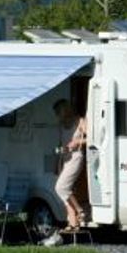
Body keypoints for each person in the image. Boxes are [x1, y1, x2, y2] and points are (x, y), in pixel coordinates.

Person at [53, 99, 88, 232]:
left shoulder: (80, 121)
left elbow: (93, 138)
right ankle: (73, 222)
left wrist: (78, 140)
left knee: (61, 187)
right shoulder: (61, 125)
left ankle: (80, 210)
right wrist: (57, 162)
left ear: (66, 109)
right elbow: (60, 143)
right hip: (65, 158)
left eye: (59, 111)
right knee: (65, 191)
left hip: (76, 157)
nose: (58, 115)